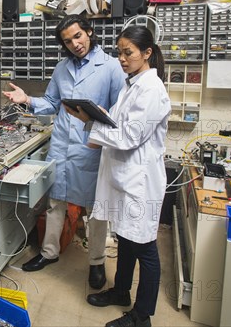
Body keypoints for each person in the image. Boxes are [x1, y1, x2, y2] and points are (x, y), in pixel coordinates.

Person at [3, 14, 125, 289]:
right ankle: (49, 253)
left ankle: (96, 262)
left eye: (78, 36)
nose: (75, 44)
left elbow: (119, 110)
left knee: (95, 210)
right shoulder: (61, 68)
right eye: (68, 41)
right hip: (61, 145)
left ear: (89, 32)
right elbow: (50, 102)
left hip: (91, 148)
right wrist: (27, 100)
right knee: (55, 202)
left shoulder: (111, 67)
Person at [63, 25, 171, 327]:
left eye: (129, 53)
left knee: (145, 247)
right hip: (123, 176)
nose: (122, 59)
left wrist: (90, 122)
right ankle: (121, 292)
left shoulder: (152, 90)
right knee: (125, 238)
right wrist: (99, 114)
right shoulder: (131, 83)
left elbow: (130, 136)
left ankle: (142, 316)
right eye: (119, 52)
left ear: (147, 53)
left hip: (140, 181)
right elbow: (118, 121)